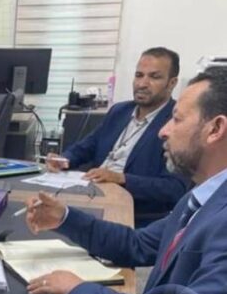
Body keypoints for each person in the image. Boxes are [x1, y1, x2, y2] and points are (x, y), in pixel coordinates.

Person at [26, 66, 227, 294]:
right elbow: (137, 244)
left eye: (176, 119)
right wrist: (63, 217)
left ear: (215, 129)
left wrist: (81, 291)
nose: (163, 131)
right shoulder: (203, 196)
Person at [47, 47, 188, 226]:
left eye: (154, 77)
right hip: (92, 194)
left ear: (171, 83)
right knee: (42, 212)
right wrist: (64, 159)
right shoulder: (119, 111)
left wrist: (121, 178)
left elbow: (174, 188)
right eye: (139, 75)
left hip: (131, 211)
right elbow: (88, 145)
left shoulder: (176, 123)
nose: (142, 84)